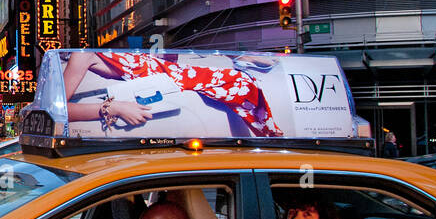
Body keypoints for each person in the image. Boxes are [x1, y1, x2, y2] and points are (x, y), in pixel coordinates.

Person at [61, 50, 283, 136]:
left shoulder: (89, 55)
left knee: (240, 82)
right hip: (168, 83)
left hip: (176, 77)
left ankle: (238, 64)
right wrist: (114, 108)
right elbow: (60, 110)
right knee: (241, 83)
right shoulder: (81, 57)